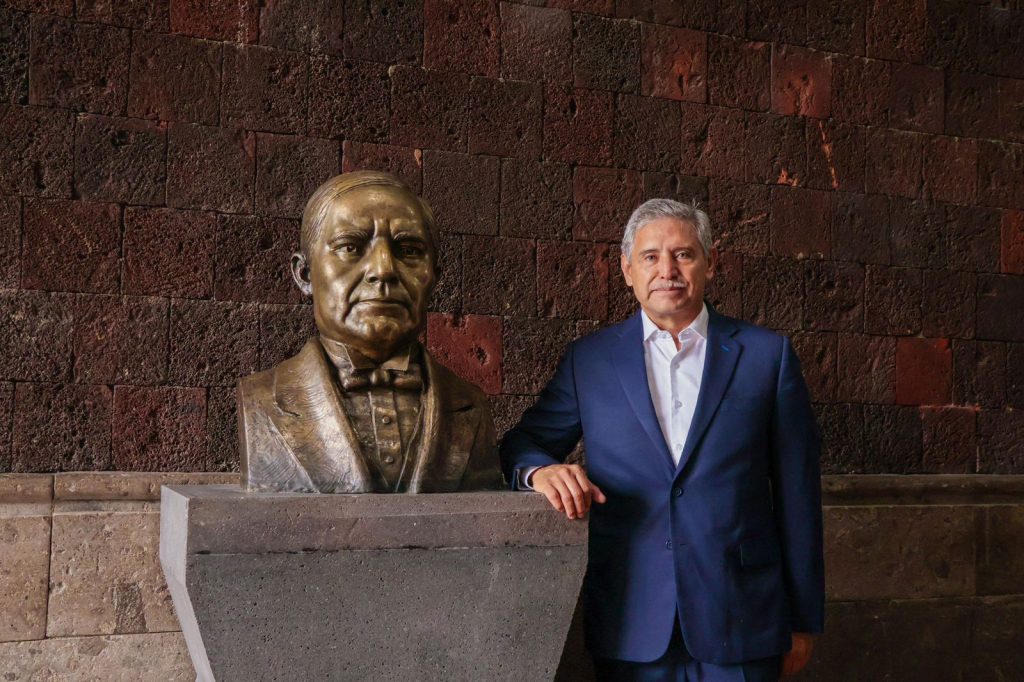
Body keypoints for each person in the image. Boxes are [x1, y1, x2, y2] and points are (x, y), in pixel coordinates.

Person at [500, 199, 824, 680]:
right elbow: (522, 442)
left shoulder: (766, 357)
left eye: (683, 254)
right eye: (650, 256)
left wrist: (803, 620)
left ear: (710, 264)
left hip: (743, 619)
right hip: (631, 621)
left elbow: (799, 495)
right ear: (627, 270)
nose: (667, 270)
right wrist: (541, 471)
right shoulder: (590, 361)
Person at [238, 171, 502, 494]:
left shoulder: (471, 405)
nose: (383, 269)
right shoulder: (261, 399)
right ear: (305, 274)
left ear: (433, 276)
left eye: (409, 251)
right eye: (350, 247)